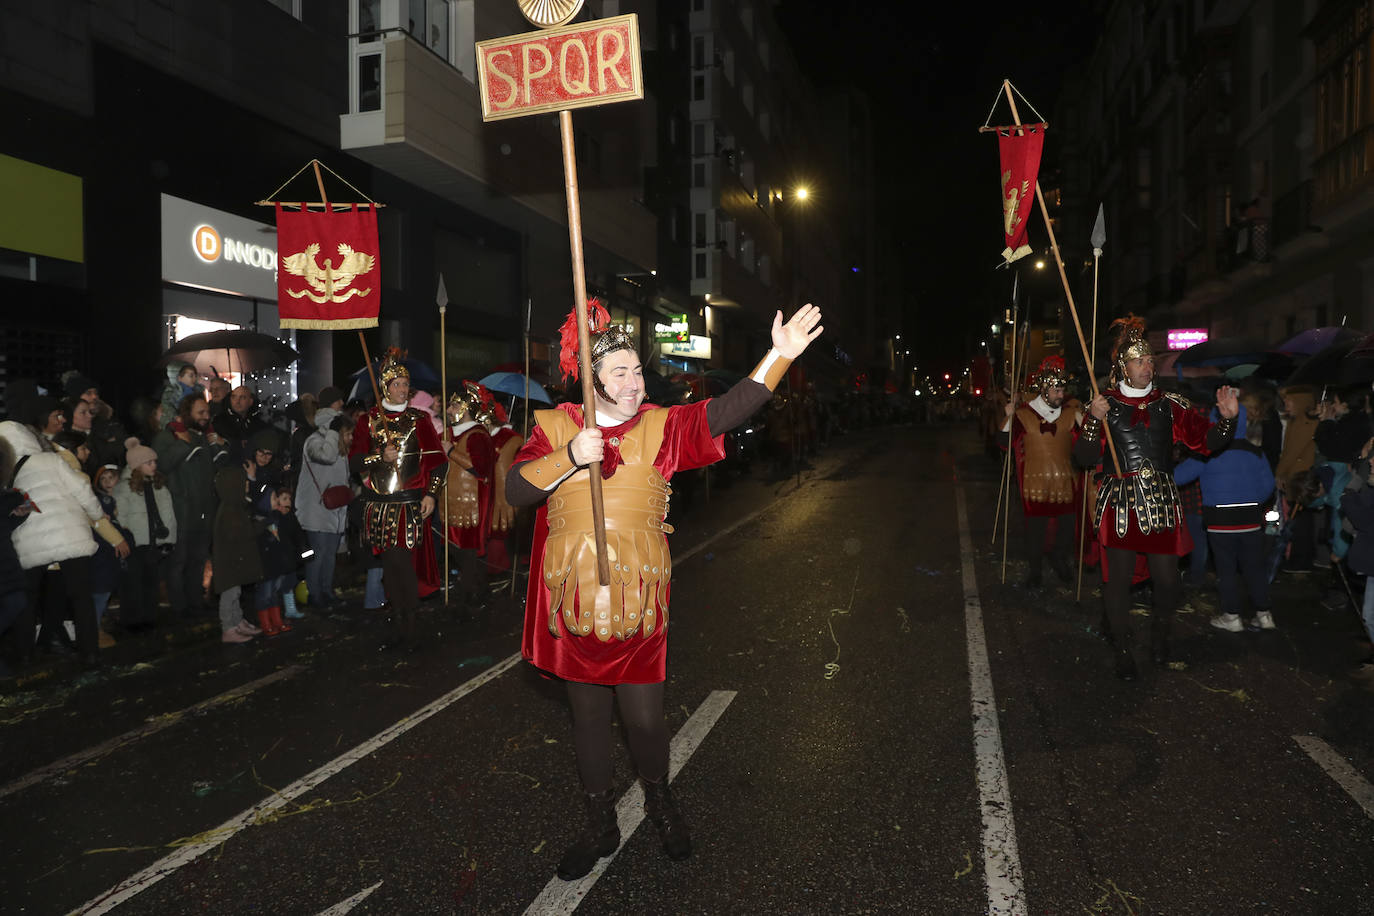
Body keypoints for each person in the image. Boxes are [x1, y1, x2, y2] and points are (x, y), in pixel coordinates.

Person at [507, 301, 823, 880]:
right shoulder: (555, 427)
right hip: (574, 604)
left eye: (637, 371)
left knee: (646, 723)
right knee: (588, 722)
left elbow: (727, 411)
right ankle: (600, 823)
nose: (635, 383)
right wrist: (570, 456)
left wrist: (778, 357)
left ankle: (660, 802)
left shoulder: (661, 427)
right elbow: (516, 491)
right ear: (591, 379)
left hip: (639, 606)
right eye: (620, 373)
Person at [1073, 315, 1238, 681]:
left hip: (1162, 502)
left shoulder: (1171, 404)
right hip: (1120, 504)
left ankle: (1161, 634)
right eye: (1139, 361)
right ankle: (1123, 650)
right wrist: (1090, 422)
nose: (1148, 367)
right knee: (1118, 581)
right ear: (1122, 367)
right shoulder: (1104, 405)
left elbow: (1205, 442)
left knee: (1167, 581)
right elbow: (1083, 459)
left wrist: (1226, 421)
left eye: (1150, 361)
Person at [0, 417, 129, 669]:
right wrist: (95, 514)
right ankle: (89, 652)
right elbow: (81, 489)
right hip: (69, 534)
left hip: (30, 542)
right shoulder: (50, 460)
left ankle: (25, 655)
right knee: (81, 596)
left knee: (29, 599)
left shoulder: (7, 476)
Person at [348, 348, 447, 652]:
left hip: (409, 504)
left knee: (403, 564)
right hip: (379, 505)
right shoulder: (369, 420)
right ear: (385, 388)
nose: (403, 389)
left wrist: (432, 493)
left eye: (406, 384)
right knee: (390, 567)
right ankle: (399, 619)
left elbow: (439, 462)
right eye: (397, 384)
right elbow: (354, 462)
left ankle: (411, 623)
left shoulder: (420, 420)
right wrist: (380, 456)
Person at [1174, 400, 1276, 633]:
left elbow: (1179, 477)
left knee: (1226, 569)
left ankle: (1232, 616)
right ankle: (1264, 614)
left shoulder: (1208, 453)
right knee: (1254, 568)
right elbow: (1268, 485)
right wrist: (1252, 501)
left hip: (1219, 520)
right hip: (1250, 518)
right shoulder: (1255, 452)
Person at [1001, 355, 1082, 589]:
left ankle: (1059, 558)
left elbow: (1088, 445)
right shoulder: (1023, 414)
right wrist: (1008, 415)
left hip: (1065, 482)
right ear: (1044, 389)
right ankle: (1035, 572)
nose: (1061, 394)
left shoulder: (1071, 413)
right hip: (1033, 483)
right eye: (1057, 390)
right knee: (1035, 532)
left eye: (1062, 390)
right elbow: (1003, 441)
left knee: (1067, 529)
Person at [154, 394, 230, 620]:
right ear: (187, 413)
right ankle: (179, 607)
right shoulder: (167, 437)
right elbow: (161, 465)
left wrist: (220, 446)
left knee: (198, 560)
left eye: (207, 412)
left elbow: (220, 467)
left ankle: (196, 602)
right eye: (201, 413)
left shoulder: (206, 438)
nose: (206, 417)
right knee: (178, 562)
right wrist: (182, 444)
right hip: (181, 511)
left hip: (204, 510)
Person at [442, 381, 496, 624]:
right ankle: (474, 593)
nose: (449, 410)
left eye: (453, 405)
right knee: (459, 554)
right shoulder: (449, 434)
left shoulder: (477, 436)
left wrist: (451, 451)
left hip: (471, 506)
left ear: (464, 408)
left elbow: (481, 469)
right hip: (450, 504)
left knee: (468, 555)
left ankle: (472, 598)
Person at [113, 442, 178, 631]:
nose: (153, 466)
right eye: (148, 462)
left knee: (151, 580)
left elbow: (168, 515)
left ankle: (149, 617)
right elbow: (120, 516)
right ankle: (132, 620)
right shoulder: (124, 488)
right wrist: (123, 538)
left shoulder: (159, 486)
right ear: (136, 466)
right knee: (132, 582)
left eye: (154, 462)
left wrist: (168, 540)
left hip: (154, 542)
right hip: (135, 543)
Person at [297, 404, 352, 610]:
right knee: (318, 555)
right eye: (345, 431)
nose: (348, 436)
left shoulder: (337, 445)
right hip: (315, 510)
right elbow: (326, 457)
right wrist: (332, 431)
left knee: (329, 555)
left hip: (335, 510)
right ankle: (315, 594)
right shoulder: (314, 442)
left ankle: (326, 591)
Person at [212, 463, 266, 644]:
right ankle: (228, 628)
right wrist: (261, 526)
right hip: (229, 563)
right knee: (230, 595)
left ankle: (238, 621)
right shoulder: (229, 511)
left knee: (236, 593)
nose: (247, 485)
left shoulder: (235, 506)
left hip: (235, 561)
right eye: (244, 483)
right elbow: (242, 533)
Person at [257, 485, 307, 632]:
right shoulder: (266, 519)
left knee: (278, 590)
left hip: (282, 560)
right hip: (269, 564)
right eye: (282, 499)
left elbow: (295, 536)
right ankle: (267, 624)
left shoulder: (284, 517)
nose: (287, 502)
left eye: (289, 499)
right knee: (267, 594)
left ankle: (278, 620)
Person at [214, 385, 273, 464]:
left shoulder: (258, 424)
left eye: (242, 397)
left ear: (250, 401)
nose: (237, 401)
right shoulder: (220, 421)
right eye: (234, 397)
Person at [159, 364, 202, 430]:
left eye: (195, 376)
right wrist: (176, 416)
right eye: (191, 376)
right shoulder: (172, 390)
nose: (194, 379)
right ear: (180, 378)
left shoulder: (198, 392)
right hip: (174, 422)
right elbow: (166, 404)